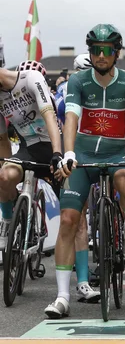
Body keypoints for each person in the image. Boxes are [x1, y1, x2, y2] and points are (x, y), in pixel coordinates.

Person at [46, 24, 125, 318]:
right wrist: (67, 153)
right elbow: (71, 118)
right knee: (68, 220)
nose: (100, 56)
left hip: (116, 154)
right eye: (95, 50)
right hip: (82, 155)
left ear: (116, 53)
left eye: (106, 50)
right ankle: (63, 296)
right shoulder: (79, 80)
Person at [0, 62, 62, 254]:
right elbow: (2, 138)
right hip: (29, 148)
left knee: (71, 211)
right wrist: (7, 172)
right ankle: (8, 221)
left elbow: (49, 115)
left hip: (53, 143)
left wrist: (57, 153)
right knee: (3, 176)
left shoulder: (31, 79)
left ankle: (81, 267)